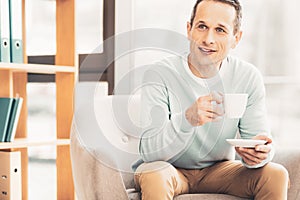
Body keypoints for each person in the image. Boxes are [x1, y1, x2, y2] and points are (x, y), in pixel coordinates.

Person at [133, 0, 289, 199]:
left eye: (220, 30)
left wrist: (259, 154)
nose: (208, 39)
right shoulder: (159, 74)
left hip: (219, 171)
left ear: (236, 38)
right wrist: (186, 119)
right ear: (189, 30)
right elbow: (149, 152)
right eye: (202, 27)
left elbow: (257, 141)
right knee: (154, 174)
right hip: (167, 169)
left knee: (276, 174)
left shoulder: (247, 77)